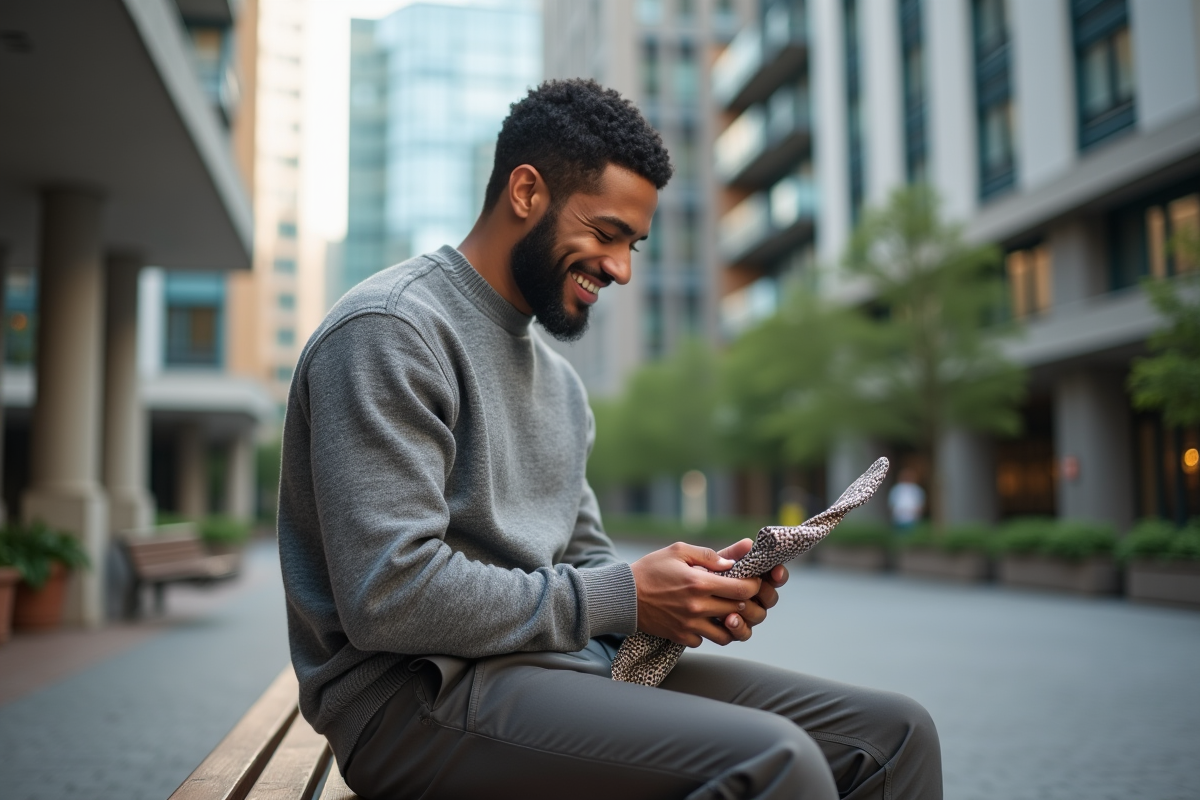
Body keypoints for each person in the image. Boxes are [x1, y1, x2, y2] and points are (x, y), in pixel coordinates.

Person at [278, 79, 941, 800]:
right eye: (606, 233)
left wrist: (688, 592)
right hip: (412, 700)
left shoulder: (559, 385)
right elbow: (391, 596)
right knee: (778, 765)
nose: (621, 267)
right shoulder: (389, 330)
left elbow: (584, 557)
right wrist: (623, 596)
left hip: (556, 666)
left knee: (895, 735)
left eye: (634, 243)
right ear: (526, 192)